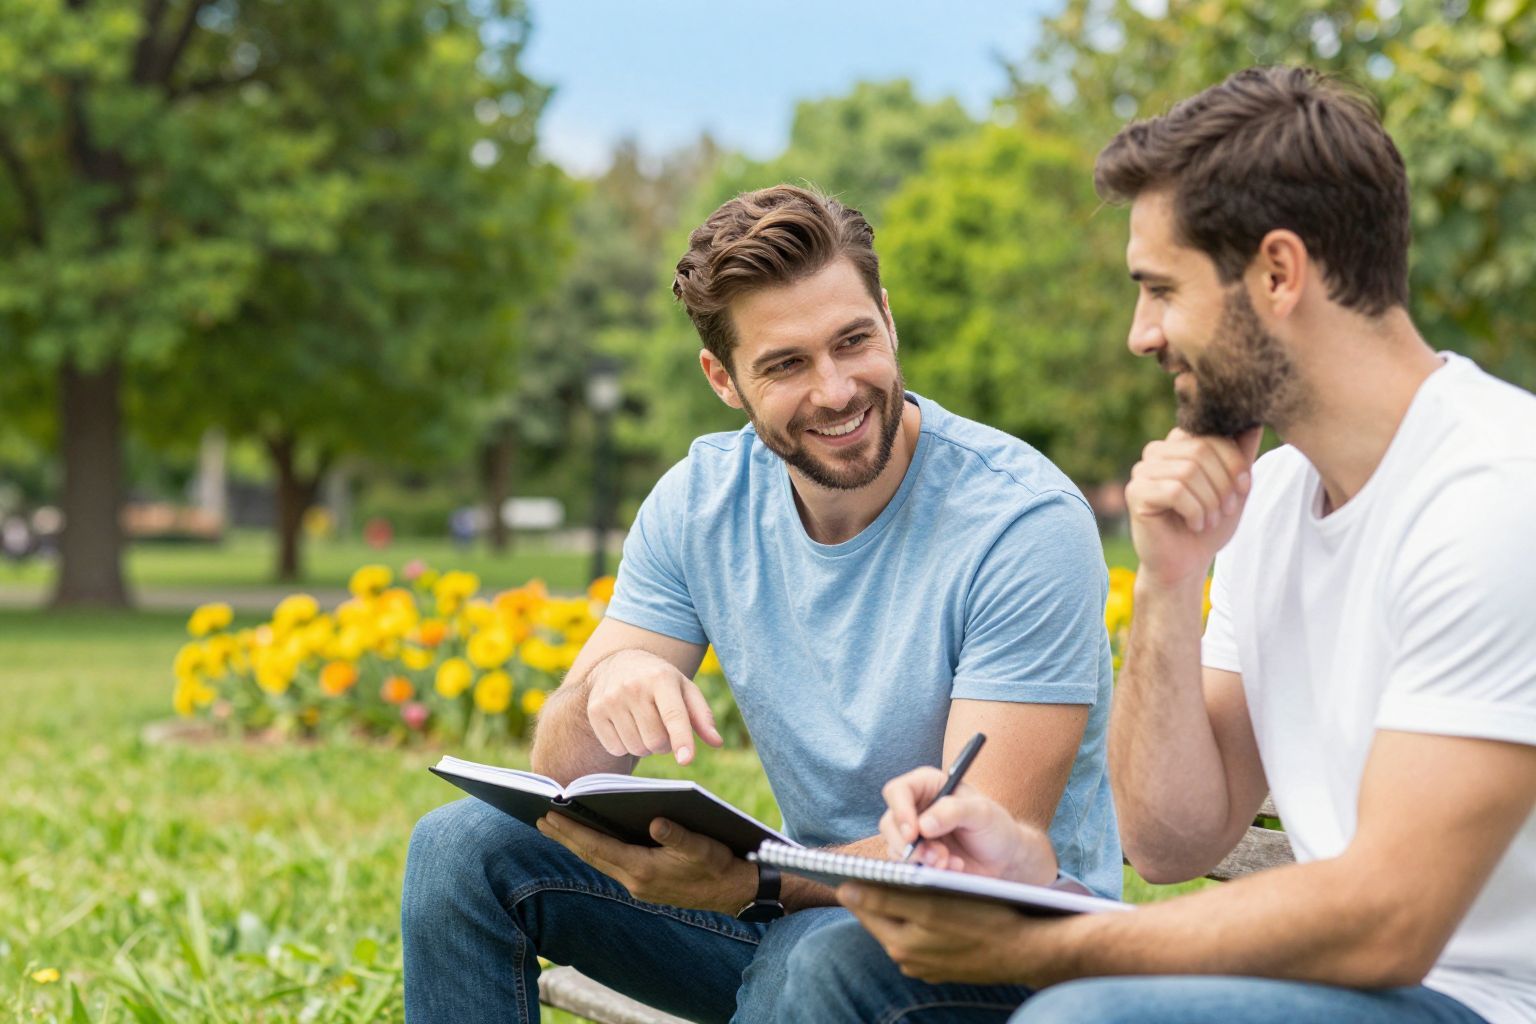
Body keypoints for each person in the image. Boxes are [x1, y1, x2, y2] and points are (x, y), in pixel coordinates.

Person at [782, 66, 1536, 1024]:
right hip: (1350, 987)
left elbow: (1391, 920)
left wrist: (1047, 942)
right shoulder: (1277, 496)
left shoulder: (1497, 496)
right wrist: (1172, 581)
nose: (1142, 334)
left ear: (1277, 273)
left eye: (1160, 290)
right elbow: (1172, 843)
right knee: (848, 969)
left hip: (1485, 1002)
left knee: (1081, 1018)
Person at [400, 185, 1121, 1023]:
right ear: (724, 378)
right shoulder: (701, 502)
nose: (838, 389)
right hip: (796, 919)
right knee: (461, 850)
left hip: (999, 955)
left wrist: (755, 883)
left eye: (854, 340)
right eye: (785, 364)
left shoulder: (1020, 524)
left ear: (888, 318)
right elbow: (560, 782)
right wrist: (609, 686)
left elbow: (977, 856)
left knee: (815, 958)